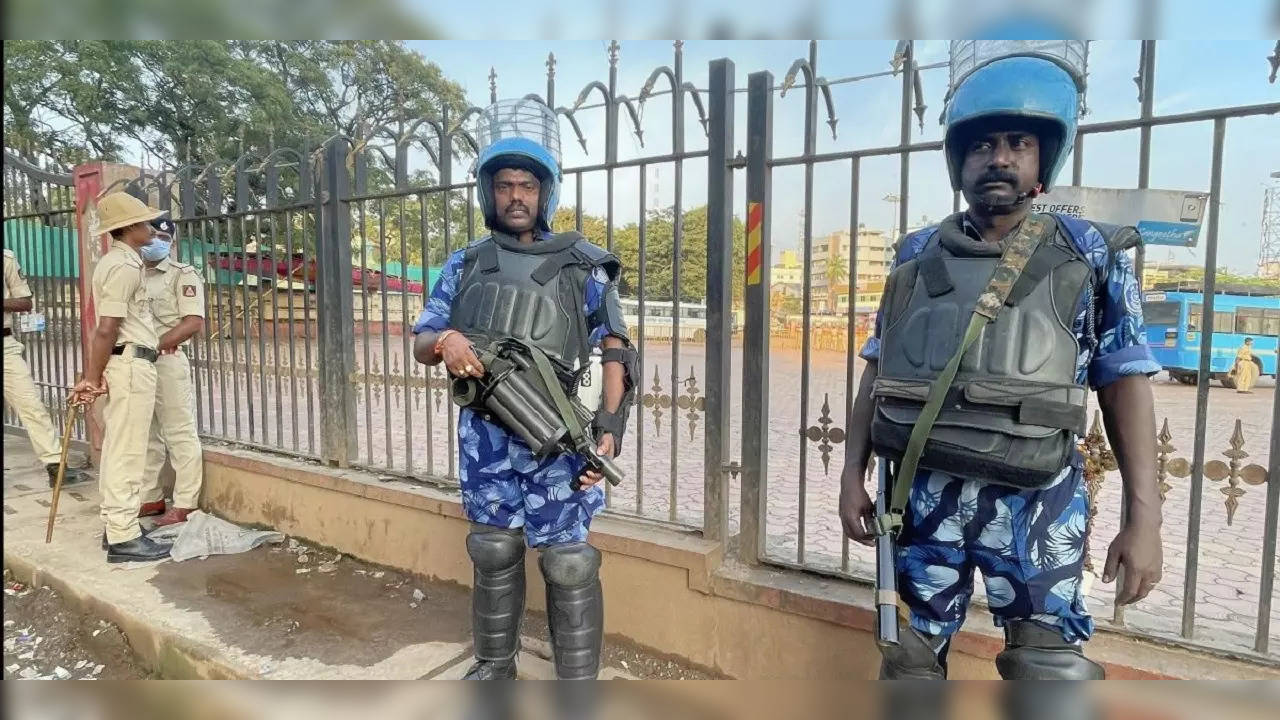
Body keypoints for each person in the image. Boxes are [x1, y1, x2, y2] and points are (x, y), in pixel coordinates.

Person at [838, 46, 1164, 680]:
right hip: (921, 493)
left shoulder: (1088, 251)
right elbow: (878, 371)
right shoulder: (915, 252)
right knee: (908, 665)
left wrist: (1142, 519)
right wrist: (853, 473)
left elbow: (1125, 380)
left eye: (1018, 142)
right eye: (983, 144)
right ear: (959, 159)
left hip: (1037, 501)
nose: (1000, 158)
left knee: (1046, 671)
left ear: (1043, 158)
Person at [411, 98, 637, 680]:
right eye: (506, 184)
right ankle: (494, 666)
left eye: (528, 186)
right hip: (484, 435)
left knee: (567, 562)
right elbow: (421, 340)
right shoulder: (464, 264)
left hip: (556, 436)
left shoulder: (581, 266)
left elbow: (617, 349)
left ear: (545, 194)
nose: (517, 196)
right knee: (493, 550)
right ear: (490, 193)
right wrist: (448, 342)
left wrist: (609, 430)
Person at [69, 192, 170, 563]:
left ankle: (117, 526)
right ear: (128, 228)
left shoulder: (118, 262)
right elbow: (106, 327)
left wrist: (95, 375)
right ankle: (124, 537)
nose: (150, 228)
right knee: (128, 452)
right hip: (130, 365)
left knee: (118, 450)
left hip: (125, 362)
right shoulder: (124, 266)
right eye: (144, 223)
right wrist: (91, 379)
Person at [138, 217, 206, 526]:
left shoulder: (183, 275)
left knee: (178, 431)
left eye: (164, 236)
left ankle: (185, 504)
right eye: (152, 234)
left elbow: (192, 322)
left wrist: (155, 346)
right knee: (146, 433)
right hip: (137, 363)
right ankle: (150, 498)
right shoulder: (133, 274)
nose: (156, 241)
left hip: (166, 360)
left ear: (172, 241)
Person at [4, 247, 88, 486]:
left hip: (6, 347)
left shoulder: (6, 259)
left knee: (31, 405)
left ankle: (55, 467)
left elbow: (25, 302)